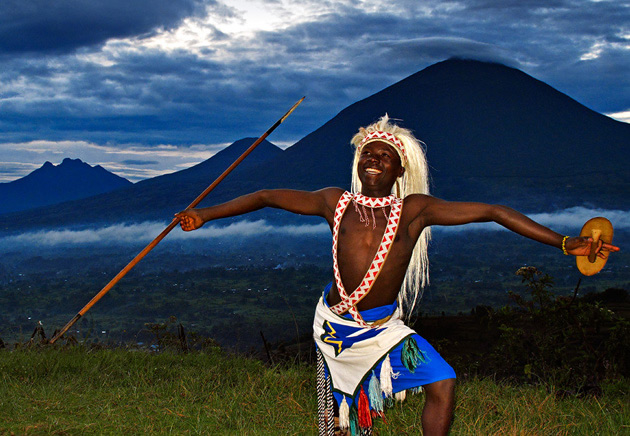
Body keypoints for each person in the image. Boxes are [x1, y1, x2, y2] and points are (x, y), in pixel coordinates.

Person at [176, 115, 619, 436]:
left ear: (399, 170)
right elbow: (267, 195)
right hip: (334, 327)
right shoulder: (335, 202)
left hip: (383, 330)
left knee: (443, 381)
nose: (373, 160)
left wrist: (565, 243)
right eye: (368, 153)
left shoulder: (413, 211)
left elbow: (495, 211)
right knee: (339, 423)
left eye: (384, 156)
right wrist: (204, 214)